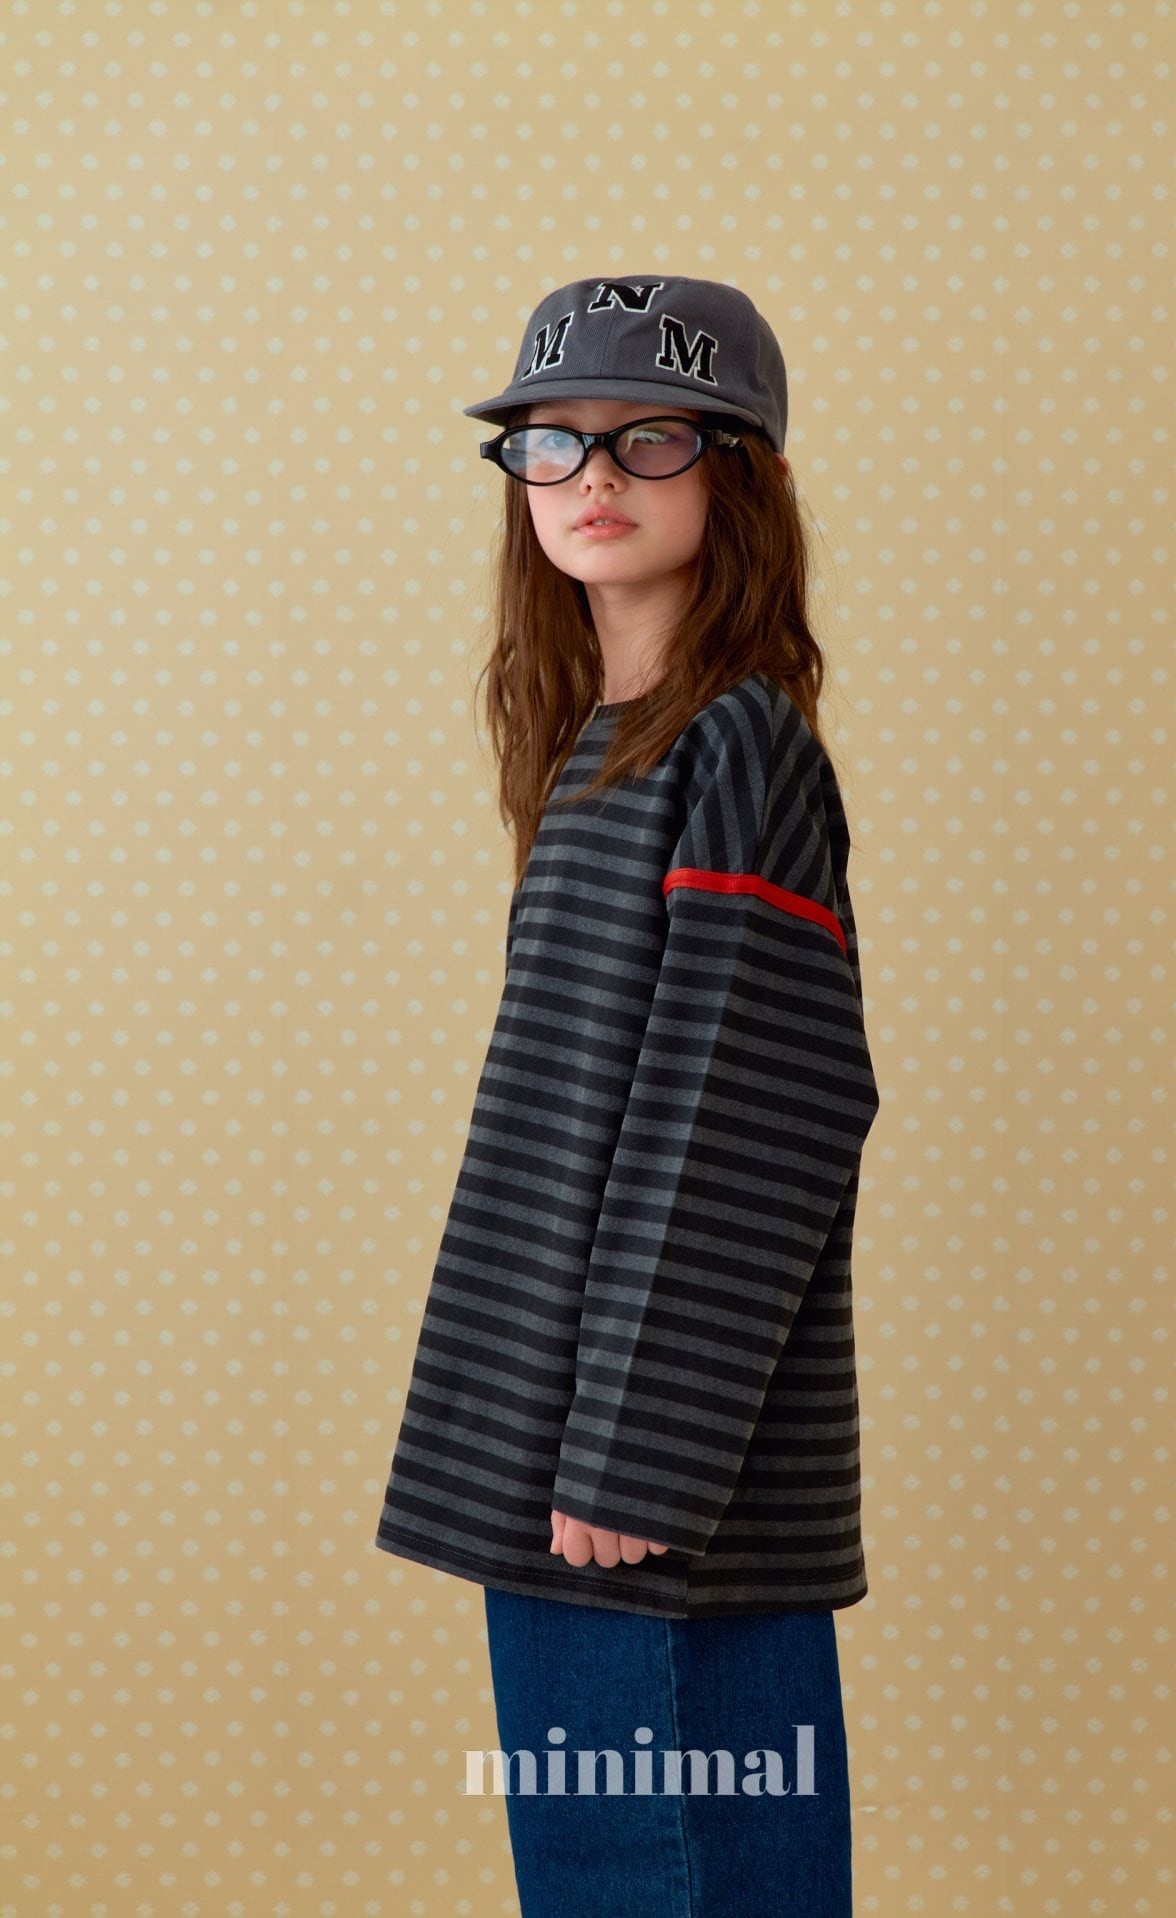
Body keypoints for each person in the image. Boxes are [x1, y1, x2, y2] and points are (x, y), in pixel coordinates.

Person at [374, 275, 880, 1917]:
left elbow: (755, 1105)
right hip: (556, 1447)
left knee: (666, 1878)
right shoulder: (598, 750)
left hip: (645, 1490)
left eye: (648, 436)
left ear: (740, 475)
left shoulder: (739, 748)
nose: (592, 473)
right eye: (552, 441)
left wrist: (636, 1454)